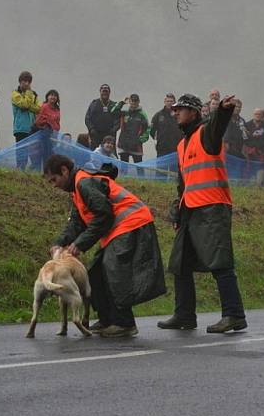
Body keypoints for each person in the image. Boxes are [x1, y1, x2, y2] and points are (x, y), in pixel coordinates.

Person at [44, 154, 166, 338]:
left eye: (54, 179)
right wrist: (59, 243)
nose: (54, 185)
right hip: (121, 228)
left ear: (64, 171)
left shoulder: (84, 184)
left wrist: (80, 244)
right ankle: (107, 319)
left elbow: (104, 215)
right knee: (95, 272)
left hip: (133, 223)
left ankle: (124, 323)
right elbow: (77, 223)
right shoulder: (78, 189)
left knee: (113, 270)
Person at [158, 93, 247, 334]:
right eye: (174, 109)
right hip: (190, 210)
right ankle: (184, 315)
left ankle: (234, 315)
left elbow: (218, 125)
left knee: (220, 263)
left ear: (194, 113)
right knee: (180, 263)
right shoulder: (181, 145)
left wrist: (224, 110)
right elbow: (183, 182)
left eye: (181, 109)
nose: (175, 112)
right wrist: (178, 208)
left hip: (212, 207)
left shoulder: (207, 134)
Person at [11, 70, 40, 169]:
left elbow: (38, 109)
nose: (26, 83)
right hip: (20, 128)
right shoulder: (15, 94)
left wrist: (28, 106)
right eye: (24, 81)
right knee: (21, 152)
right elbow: (24, 105)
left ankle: (31, 171)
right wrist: (28, 94)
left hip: (32, 128)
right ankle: (19, 170)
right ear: (20, 81)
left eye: (29, 81)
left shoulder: (34, 95)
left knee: (32, 153)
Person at [85, 84, 123, 150]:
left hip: (109, 136)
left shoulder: (114, 105)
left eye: (106, 91)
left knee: (110, 154)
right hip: (95, 135)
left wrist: (113, 130)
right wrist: (91, 129)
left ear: (109, 92)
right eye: (103, 91)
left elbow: (118, 120)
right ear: (100, 92)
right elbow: (87, 118)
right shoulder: (94, 103)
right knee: (94, 153)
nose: (105, 93)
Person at [117, 93, 150, 166]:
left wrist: (141, 139)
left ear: (138, 102)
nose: (134, 103)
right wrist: (122, 103)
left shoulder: (142, 114)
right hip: (123, 144)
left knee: (139, 168)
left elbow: (147, 128)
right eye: (132, 101)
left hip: (136, 145)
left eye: (135, 101)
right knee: (124, 168)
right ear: (129, 101)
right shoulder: (124, 112)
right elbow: (113, 112)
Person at [150, 93, 181, 157]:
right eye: (168, 101)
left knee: (175, 166)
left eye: (171, 101)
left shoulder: (179, 114)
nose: (169, 103)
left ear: (175, 102)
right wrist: (158, 140)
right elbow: (152, 130)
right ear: (164, 102)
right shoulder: (158, 115)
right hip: (162, 147)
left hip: (176, 147)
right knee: (161, 167)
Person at [34, 89, 61, 164]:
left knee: (52, 155)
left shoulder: (57, 109)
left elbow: (58, 122)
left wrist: (56, 130)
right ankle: (45, 172)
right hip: (45, 134)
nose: (53, 97)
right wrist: (47, 123)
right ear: (47, 97)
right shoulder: (44, 106)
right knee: (46, 154)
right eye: (51, 95)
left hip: (54, 135)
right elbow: (38, 121)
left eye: (55, 96)